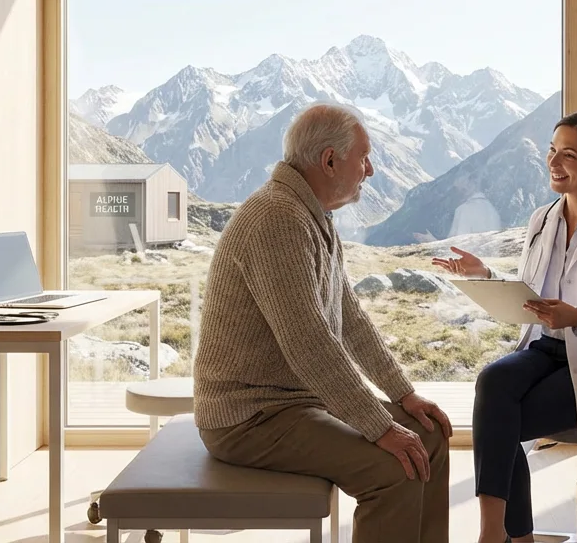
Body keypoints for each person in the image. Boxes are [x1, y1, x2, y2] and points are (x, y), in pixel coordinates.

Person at [194, 102, 452, 543]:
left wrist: (404, 397)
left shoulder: (312, 215)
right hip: (250, 417)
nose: (369, 171)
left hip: (295, 403)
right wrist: (380, 426)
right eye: (364, 158)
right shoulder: (277, 219)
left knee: (430, 435)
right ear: (330, 160)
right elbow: (309, 343)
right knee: (396, 467)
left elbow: (349, 319)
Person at [432, 110, 577, 543]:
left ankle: (503, 538)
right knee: (493, 381)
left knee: (500, 422)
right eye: (552, 151)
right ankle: (499, 534)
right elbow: (532, 294)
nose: (553, 162)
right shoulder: (543, 220)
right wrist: (484, 276)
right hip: (545, 350)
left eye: (568, 154)